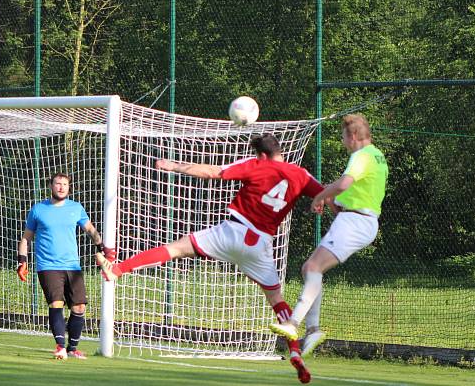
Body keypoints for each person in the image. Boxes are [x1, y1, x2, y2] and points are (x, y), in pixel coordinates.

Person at [95, 133, 322, 384]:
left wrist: (175, 166)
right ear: (280, 150)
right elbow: (326, 193)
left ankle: (116, 270)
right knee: (276, 300)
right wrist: (323, 202)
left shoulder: (257, 164)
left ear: (262, 155)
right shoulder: (301, 174)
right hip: (260, 245)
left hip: (232, 232)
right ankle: (294, 351)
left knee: (176, 249)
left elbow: (213, 172)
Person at [269, 113, 388, 355]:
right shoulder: (377, 155)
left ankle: (293, 323)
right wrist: (332, 199)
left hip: (356, 221)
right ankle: (313, 330)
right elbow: (354, 191)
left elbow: (344, 183)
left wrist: (319, 195)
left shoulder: (361, 155)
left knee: (312, 268)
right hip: (357, 219)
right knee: (309, 269)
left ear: (353, 136)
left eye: (344, 137)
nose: (344, 142)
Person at [17, 173, 115, 360]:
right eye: (57, 184)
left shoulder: (75, 208)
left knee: (79, 307)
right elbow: (26, 238)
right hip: (48, 266)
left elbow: (91, 230)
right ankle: (60, 347)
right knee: (57, 303)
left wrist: (102, 248)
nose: (61, 187)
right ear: (51, 186)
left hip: (72, 266)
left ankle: (72, 348)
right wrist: (22, 260)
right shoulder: (38, 209)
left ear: (69, 187)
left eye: (65, 184)